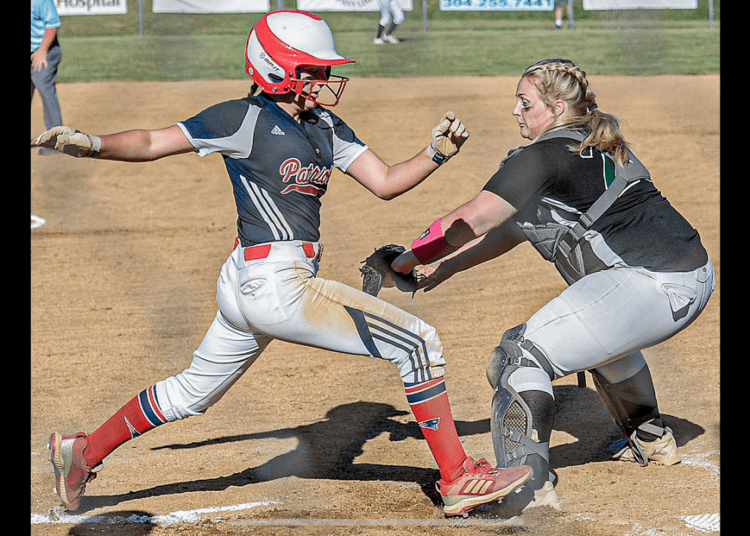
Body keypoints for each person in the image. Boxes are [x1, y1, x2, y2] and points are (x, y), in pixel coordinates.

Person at [32, 11, 531, 517]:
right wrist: (92, 145)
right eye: (312, 71)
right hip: (276, 284)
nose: (324, 81)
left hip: (255, 283)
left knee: (189, 394)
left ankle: (82, 453)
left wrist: (435, 154)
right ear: (275, 68)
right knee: (419, 342)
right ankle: (458, 477)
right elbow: (153, 141)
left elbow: (384, 181)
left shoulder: (325, 126)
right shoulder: (241, 119)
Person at [389, 58, 715, 512]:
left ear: (557, 106)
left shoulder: (539, 158)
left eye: (525, 103)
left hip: (651, 283)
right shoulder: (594, 141)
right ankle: (652, 439)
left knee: (518, 355)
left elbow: (471, 219)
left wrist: (405, 259)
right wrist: (447, 269)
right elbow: (513, 228)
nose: (517, 112)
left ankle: (528, 487)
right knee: (601, 336)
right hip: (691, 275)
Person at [31, 0, 64, 155]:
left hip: (46, 52)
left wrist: (42, 50)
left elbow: (53, 24)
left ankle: (58, 141)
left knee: (44, 88)